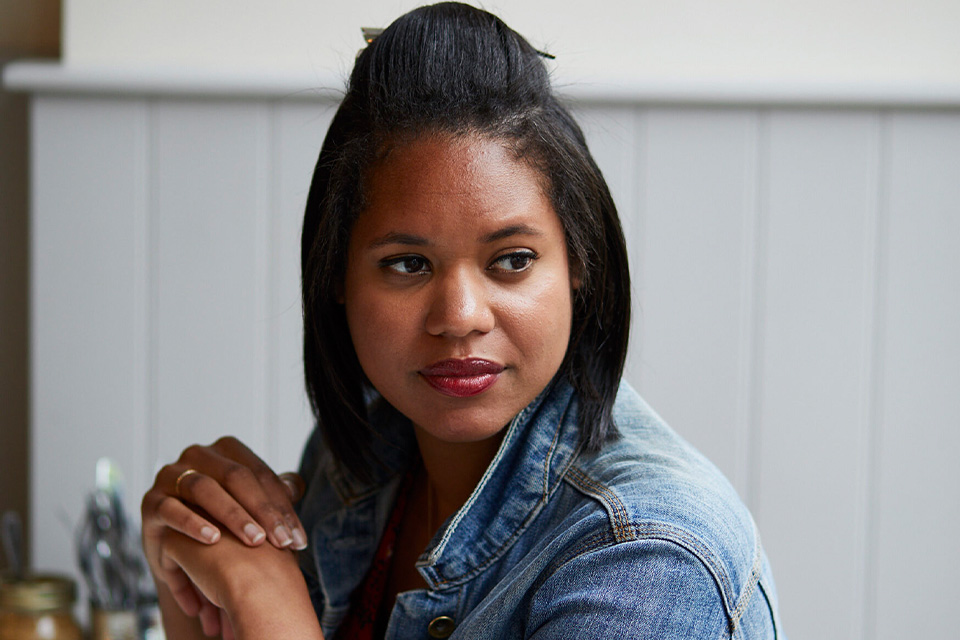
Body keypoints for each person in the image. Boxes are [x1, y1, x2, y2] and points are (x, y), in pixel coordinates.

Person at [140, 3, 784, 639]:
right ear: (335, 275)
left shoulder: (651, 562)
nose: (460, 318)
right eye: (407, 264)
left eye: (512, 260)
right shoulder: (364, 450)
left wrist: (262, 595)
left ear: (580, 263)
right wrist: (191, 568)